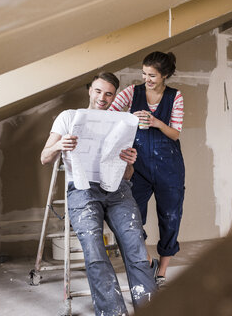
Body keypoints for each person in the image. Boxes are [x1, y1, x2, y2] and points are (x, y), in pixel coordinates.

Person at [41, 72, 157, 316]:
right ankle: (113, 312)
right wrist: (59, 145)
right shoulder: (69, 117)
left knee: (136, 247)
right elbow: (44, 157)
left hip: (117, 188)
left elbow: (127, 175)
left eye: (108, 93)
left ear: (114, 96)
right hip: (83, 189)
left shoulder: (120, 121)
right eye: (98, 91)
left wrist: (129, 162)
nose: (102, 98)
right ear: (89, 90)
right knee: (95, 252)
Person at [109, 51, 185, 288]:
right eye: (144, 73)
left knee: (170, 218)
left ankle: (161, 273)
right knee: (131, 217)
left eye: (152, 75)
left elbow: (175, 133)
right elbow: (109, 116)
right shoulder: (132, 92)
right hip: (138, 166)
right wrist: (129, 118)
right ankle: (148, 261)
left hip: (169, 167)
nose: (147, 79)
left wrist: (156, 122)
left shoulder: (175, 97)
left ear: (164, 75)